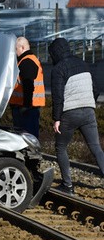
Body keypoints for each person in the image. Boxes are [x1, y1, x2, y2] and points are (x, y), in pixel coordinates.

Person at [49, 36, 104, 195]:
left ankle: (67, 186)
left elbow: (58, 96)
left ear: (55, 53)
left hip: (69, 113)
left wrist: (56, 118)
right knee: (96, 149)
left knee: (60, 147)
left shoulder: (58, 68)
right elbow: (95, 90)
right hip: (89, 112)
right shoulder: (83, 64)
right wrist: (88, 104)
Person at [10, 36, 45, 138]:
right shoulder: (29, 60)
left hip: (26, 108)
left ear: (22, 47)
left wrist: (26, 106)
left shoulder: (26, 61)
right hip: (28, 107)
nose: (15, 53)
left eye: (16, 49)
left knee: (27, 139)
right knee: (29, 138)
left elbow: (28, 84)